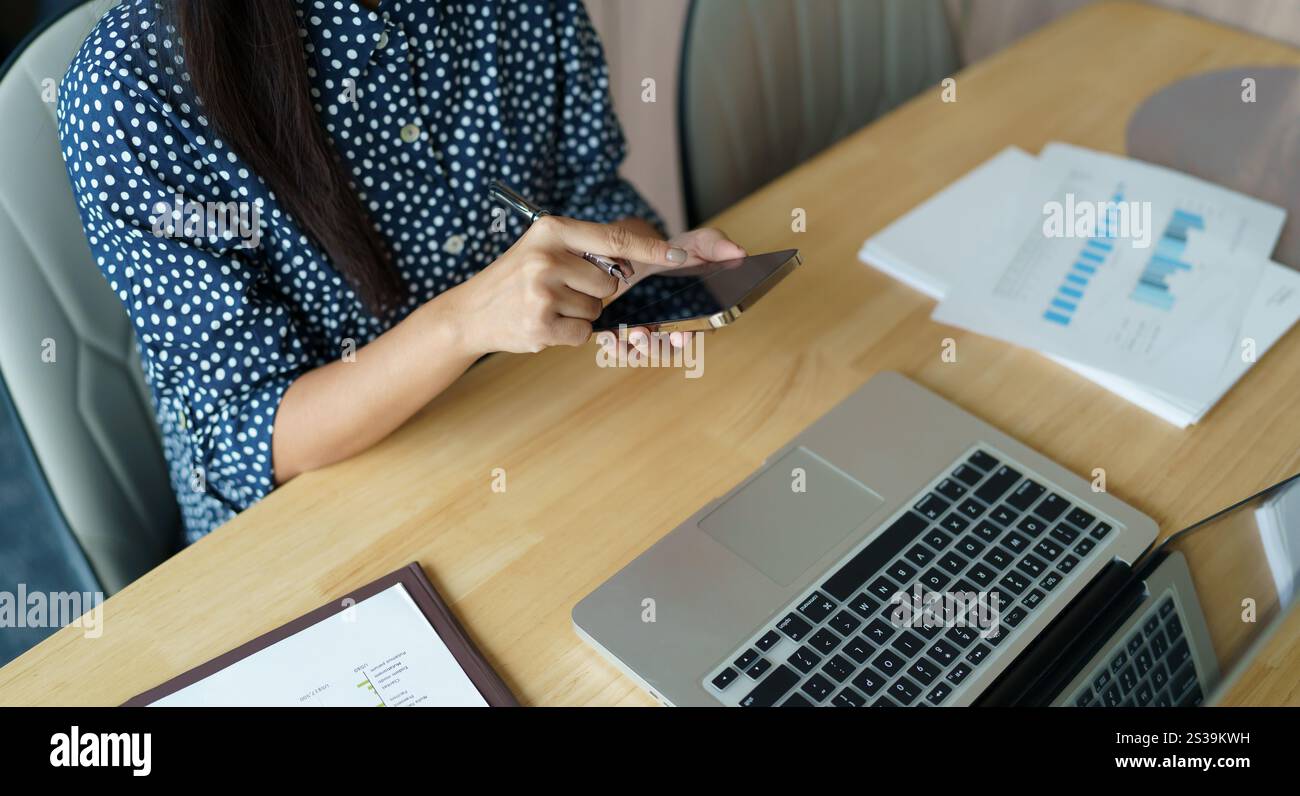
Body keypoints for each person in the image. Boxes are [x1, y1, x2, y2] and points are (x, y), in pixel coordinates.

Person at [56, 0, 744, 542]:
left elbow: (590, 196)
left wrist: (646, 268)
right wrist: (464, 323)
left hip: (537, 434)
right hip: (322, 531)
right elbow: (245, 436)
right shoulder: (133, 88)